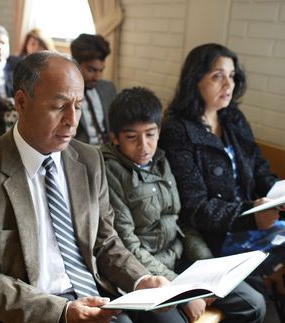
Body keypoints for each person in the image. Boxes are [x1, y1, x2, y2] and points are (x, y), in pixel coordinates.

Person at [0, 51, 187, 323]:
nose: (73, 120)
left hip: (95, 297)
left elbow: (105, 242)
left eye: (78, 105)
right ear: (22, 103)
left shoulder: (88, 159)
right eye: (59, 106)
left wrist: (140, 278)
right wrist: (62, 312)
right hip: (30, 310)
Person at [159, 43, 285, 323]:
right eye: (217, 76)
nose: (229, 83)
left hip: (253, 221)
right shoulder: (178, 131)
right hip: (217, 235)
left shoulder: (233, 118)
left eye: (232, 75)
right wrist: (250, 216)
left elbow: (261, 171)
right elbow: (194, 208)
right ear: (195, 80)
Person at [102, 86, 266, 323]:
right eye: (131, 137)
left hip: (181, 261)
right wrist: (182, 292)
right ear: (114, 138)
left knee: (253, 305)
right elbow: (127, 245)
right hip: (146, 275)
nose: (144, 146)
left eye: (150, 134)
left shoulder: (161, 160)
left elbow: (182, 222)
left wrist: (209, 269)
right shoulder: (110, 172)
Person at [71, 33, 116, 146]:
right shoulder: (65, 93)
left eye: (101, 70)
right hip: (81, 153)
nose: (98, 77)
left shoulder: (108, 88)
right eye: (92, 70)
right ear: (75, 64)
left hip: (109, 150)